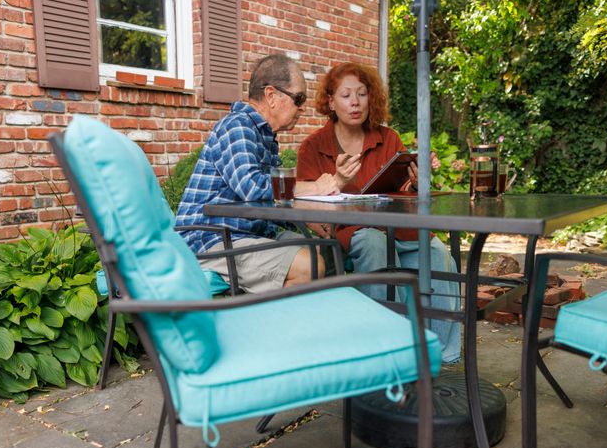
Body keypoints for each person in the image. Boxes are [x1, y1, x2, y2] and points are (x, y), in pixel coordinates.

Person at [296, 62, 461, 362]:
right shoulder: (313, 147)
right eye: (346, 95)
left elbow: (402, 196)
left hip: (398, 229)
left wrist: (414, 184)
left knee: (436, 251)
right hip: (353, 233)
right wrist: (338, 183)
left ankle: (443, 356)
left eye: (362, 94)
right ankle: (390, 351)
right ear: (330, 101)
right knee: (373, 243)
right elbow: (305, 203)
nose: (355, 102)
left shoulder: (388, 138)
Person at [176, 55, 339, 293]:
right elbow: (252, 187)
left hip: (243, 235)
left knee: (316, 250)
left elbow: (264, 201)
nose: (302, 107)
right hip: (209, 241)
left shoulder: (263, 135)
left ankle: (280, 319)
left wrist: (305, 220)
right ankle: (267, 325)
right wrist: (315, 187)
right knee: (309, 266)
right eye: (299, 98)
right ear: (271, 95)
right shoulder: (237, 126)